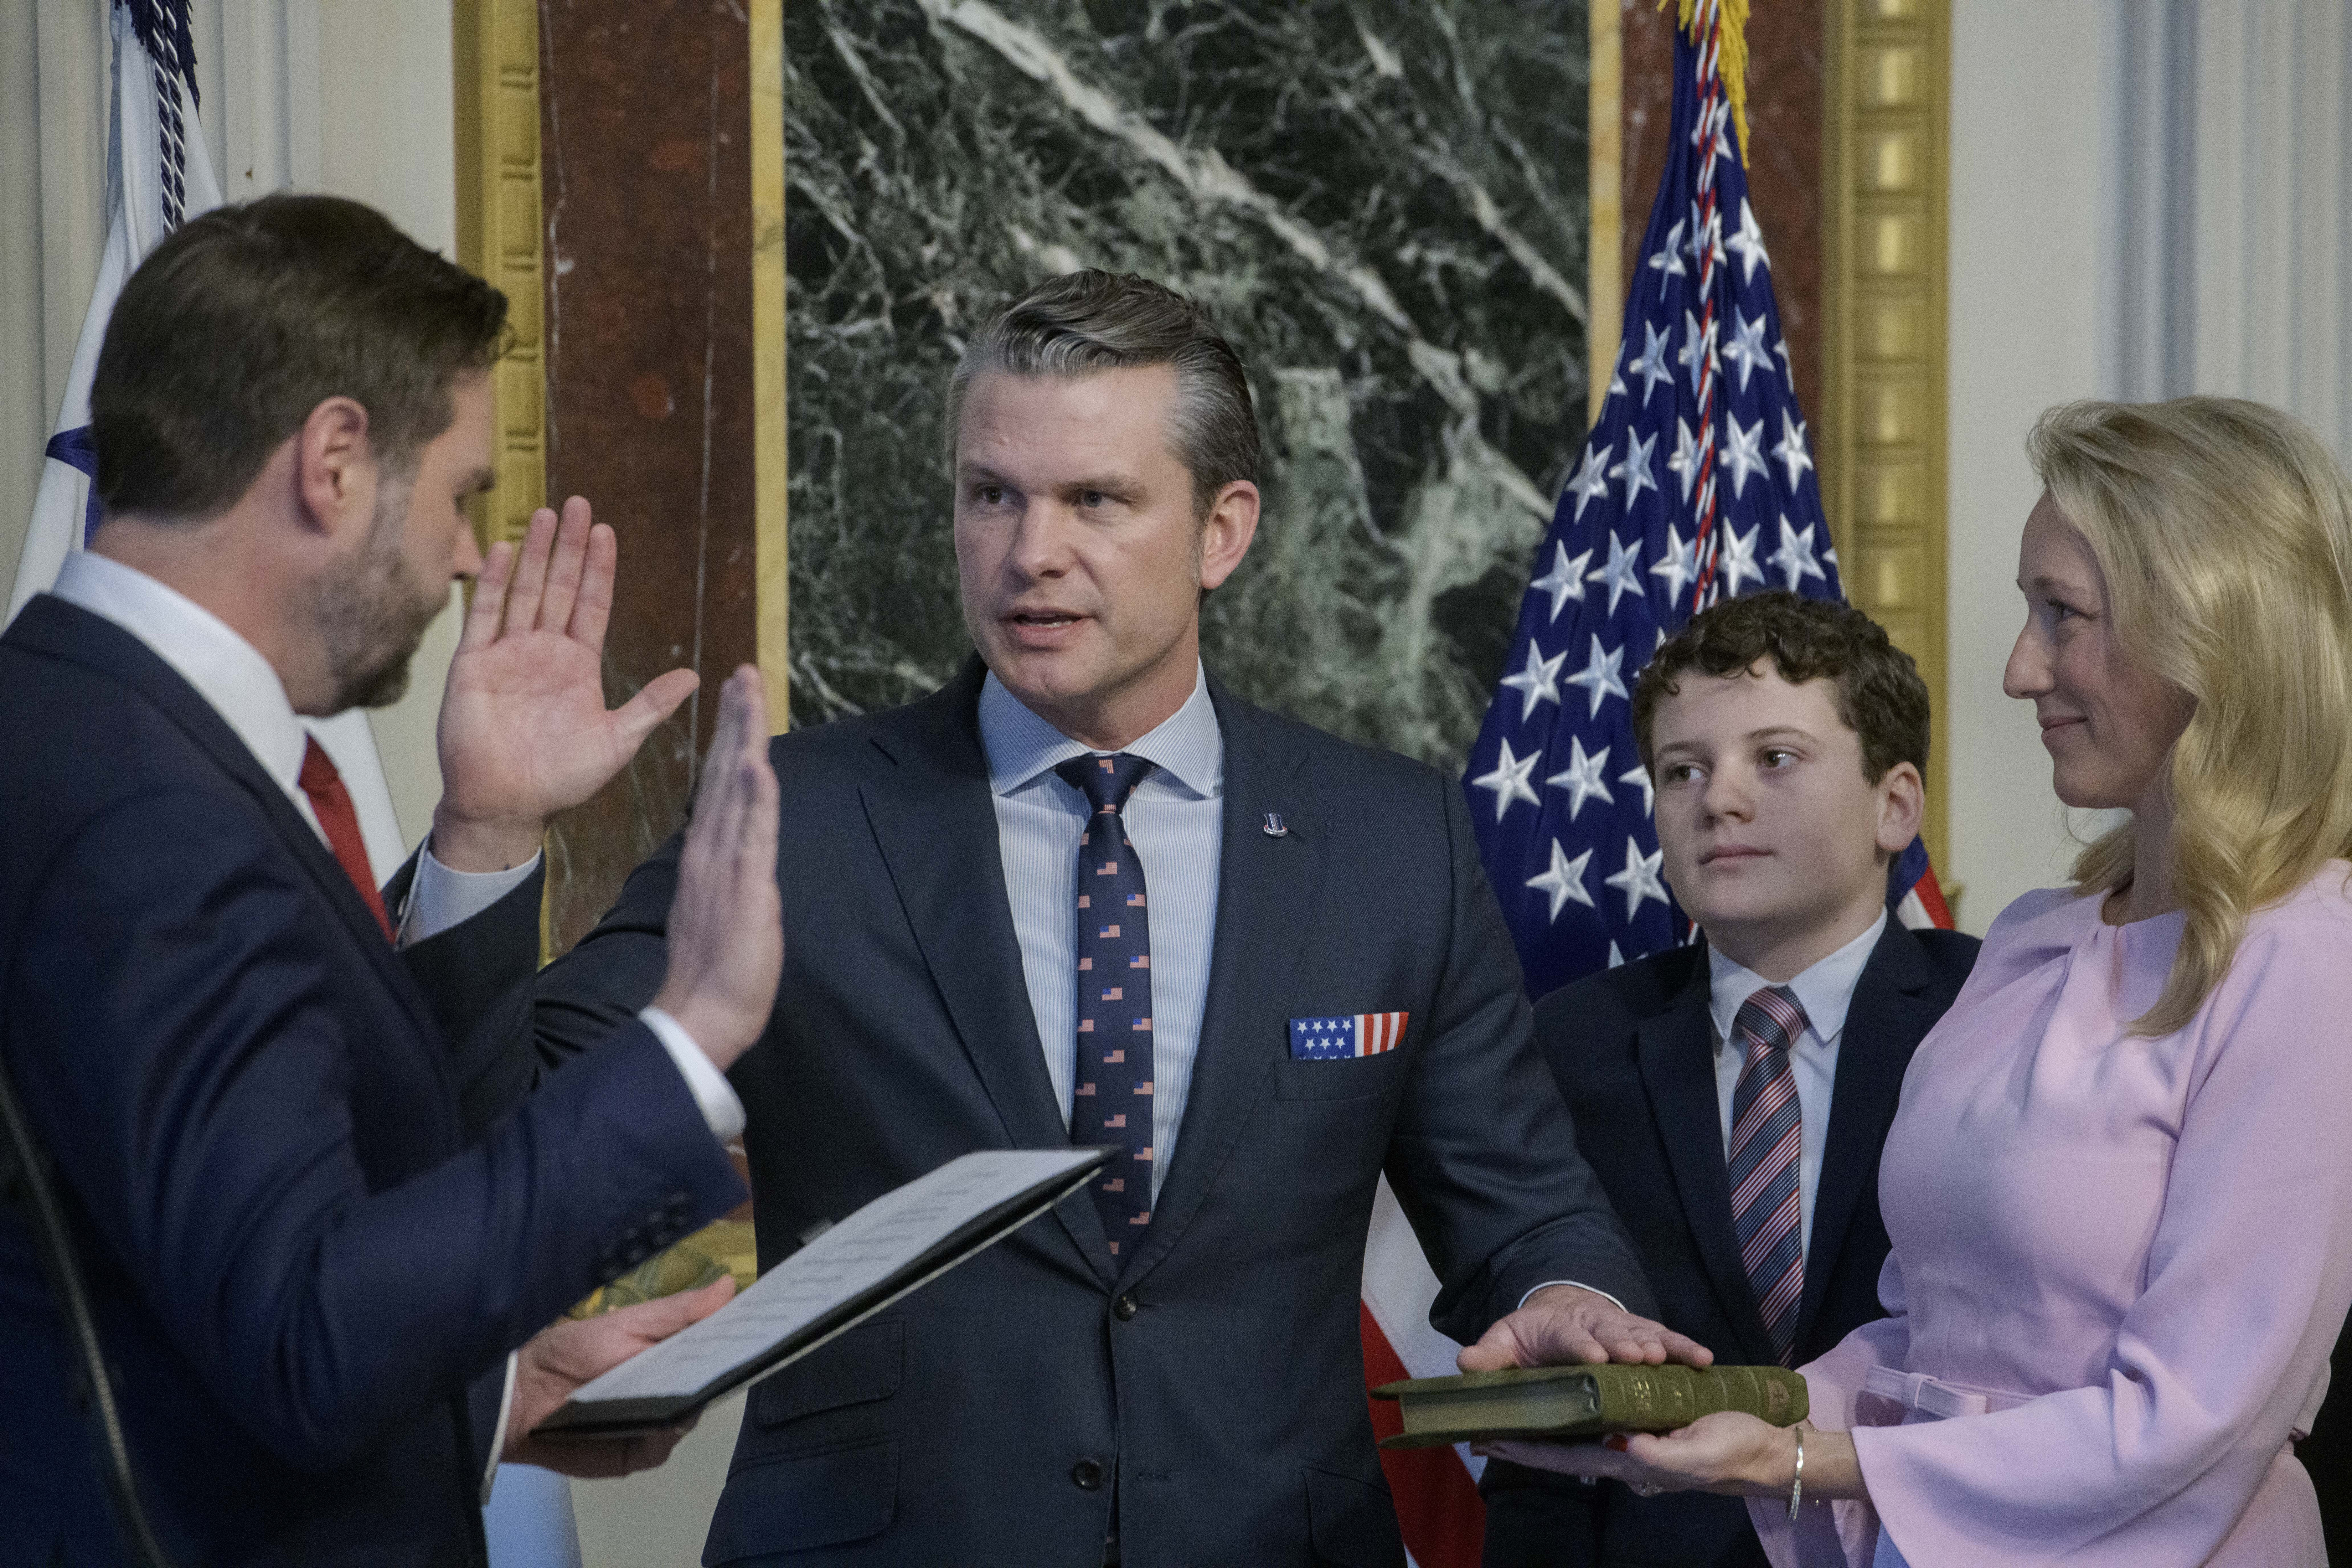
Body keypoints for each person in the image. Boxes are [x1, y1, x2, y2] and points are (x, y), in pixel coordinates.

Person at [523, 269, 1702, 1566]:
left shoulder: (1390, 842)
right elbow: (529, 1107)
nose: (1032, 552)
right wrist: (486, 838)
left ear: (1223, 531)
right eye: (994, 496)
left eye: (1096, 499)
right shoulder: (798, 814)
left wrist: (1571, 1299)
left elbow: (1520, 1202)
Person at [0, 194, 785, 1565]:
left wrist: (490, 1394)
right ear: (337, 460)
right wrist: (689, 1041)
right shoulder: (149, 816)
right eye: (464, 493)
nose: (471, 555)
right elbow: (309, 1334)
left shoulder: (64, 720)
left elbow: (186, 1295)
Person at [1485, 395, 2352, 1567]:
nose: (2017, 669)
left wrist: (1799, 1462)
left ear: (2212, 632)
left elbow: (2193, 1421)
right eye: (2027, 612)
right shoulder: (2039, 941)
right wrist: (1695, 1420)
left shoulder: (2305, 958)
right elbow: (1920, 1340)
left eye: (2064, 615)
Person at [1480, 592, 1980, 1568]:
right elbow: (1541, 1407)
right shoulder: (1570, 1042)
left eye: (1776, 759)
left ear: (1897, 803)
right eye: (1682, 771)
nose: (1720, 801)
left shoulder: (1994, 1018)